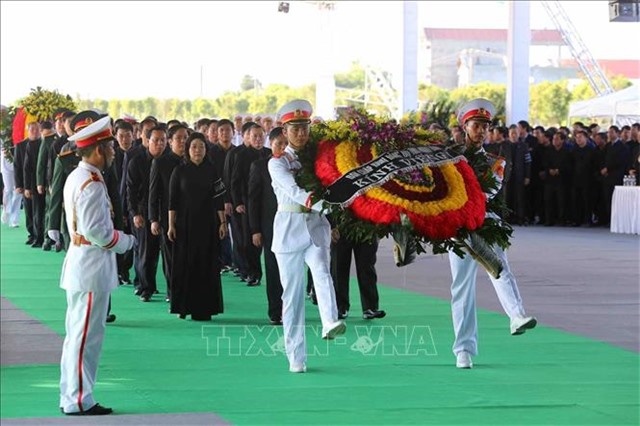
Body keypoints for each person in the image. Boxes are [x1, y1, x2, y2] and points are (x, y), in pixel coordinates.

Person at [449, 98, 537, 369]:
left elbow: (487, 192)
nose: (481, 131)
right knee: (462, 287)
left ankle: (517, 315)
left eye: (484, 127)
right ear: (465, 126)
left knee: (499, 267)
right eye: (476, 125)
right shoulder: (448, 158)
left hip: (486, 222)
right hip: (457, 226)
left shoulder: (495, 162)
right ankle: (463, 349)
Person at [59, 116, 135, 416]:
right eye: (111, 146)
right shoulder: (90, 183)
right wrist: (128, 242)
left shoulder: (82, 176)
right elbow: (98, 234)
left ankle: (73, 395)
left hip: (84, 267)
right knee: (85, 338)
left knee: (79, 335)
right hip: (90, 268)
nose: (114, 152)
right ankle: (78, 399)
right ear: (99, 150)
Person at [268, 99, 345, 373]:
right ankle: (296, 357)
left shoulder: (319, 159)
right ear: (285, 131)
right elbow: (293, 190)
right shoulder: (277, 163)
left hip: (315, 228)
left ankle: (330, 321)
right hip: (289, 231)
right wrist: (320, 202)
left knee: (323, 272)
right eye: (295, 128)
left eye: (304, 127)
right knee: (292, 297)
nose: (301, 133)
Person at [167, 132, 227, 321]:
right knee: (185, 264)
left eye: (201, 146)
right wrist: (171, 225)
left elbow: (219, 200)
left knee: (207, 265)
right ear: (188, 149)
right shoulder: (180, 171)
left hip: (208, 224)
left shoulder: (212, 170)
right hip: (185, 225)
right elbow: (172, 201)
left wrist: (223, 222)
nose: (197, 150)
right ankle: (183, 307)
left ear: (206, 149)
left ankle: (206, 308)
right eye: (194, 146)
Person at [248, 127, 286, 324]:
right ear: (270, 144)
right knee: (273, 268)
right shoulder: (260, 166)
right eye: (279, 143)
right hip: (270, 226)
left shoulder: (297, 165)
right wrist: (255, 229)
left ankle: (291, 309)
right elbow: (253, 200)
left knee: (292, 270)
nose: (283, 147)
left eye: (285, 143)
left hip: (294, 225)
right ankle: (275, 310)